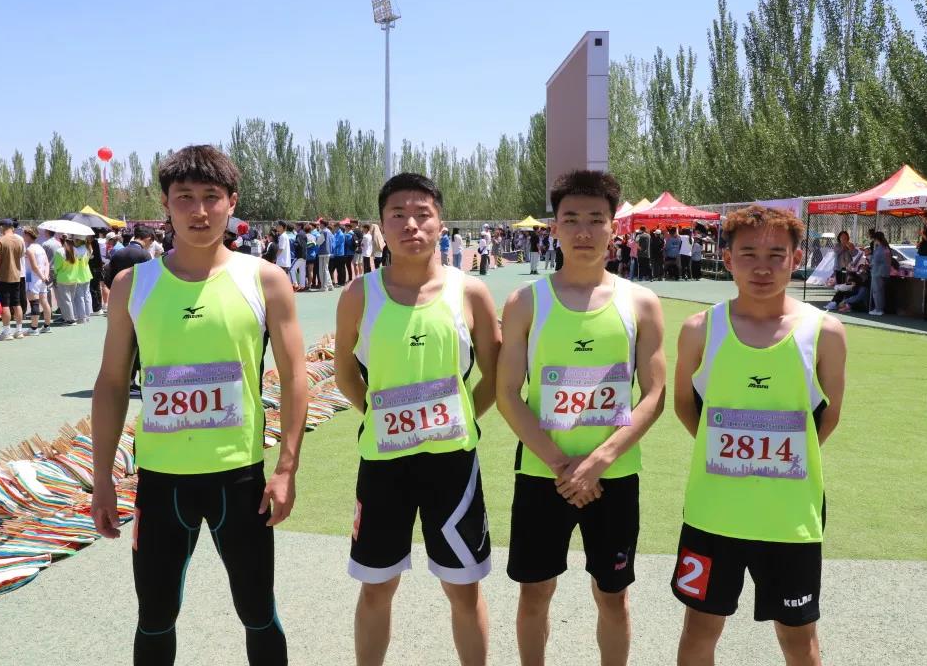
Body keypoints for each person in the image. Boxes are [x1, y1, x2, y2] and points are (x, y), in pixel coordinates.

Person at [90, 145, 307, 666]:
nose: (199, 210)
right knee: (155, 616)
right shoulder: (132, 285)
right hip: (162, 481)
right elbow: (112, 382)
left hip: (240, 478)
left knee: (257, 610)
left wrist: (286, 468)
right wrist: (101, 478)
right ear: (166, 204)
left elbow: (296, 377)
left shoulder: (265, 279)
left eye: (212, 196)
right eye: (184, 197)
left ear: (232, 202)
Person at [498, 170, 665, 666]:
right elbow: (508, 393)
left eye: (596, 219)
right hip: (541, 474)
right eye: (571, 219)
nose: (584, 231)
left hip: (614, 477)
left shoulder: (641, 303)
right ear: (555, 227)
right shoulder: (525, 302)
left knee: (613, 597)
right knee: (535, 593)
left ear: (615, 227)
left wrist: (598, 462)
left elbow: (654, 393)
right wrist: (562, 465)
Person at [334, 173, 501, 666]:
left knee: (464, 590)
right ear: (382, 226)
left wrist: (462, 416)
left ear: (441, 224)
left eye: (423, 214)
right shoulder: (359, 294)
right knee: (376, 587)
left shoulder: (470, 292)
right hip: (384, 465)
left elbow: (495, 376)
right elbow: (345, 373)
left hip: (453, 466)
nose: (411, 224)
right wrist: (377, 414)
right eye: (398, 215)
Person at [671, 205, 846, 666]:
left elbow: (828, 417)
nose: (762, 267)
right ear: (728, 259)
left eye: (776, 255)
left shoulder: (825, 332)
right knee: (699, 629)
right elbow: (685, 406)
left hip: (789, 519)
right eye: (748, 254)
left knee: (798, 637)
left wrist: (778, 459)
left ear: (796, 258)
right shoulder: (699, 330)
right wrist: (727, 457)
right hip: (713, 514)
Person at [104, 224, 155, 394]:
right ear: (148, 239)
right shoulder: (144, 255)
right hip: (140, 304)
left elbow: (109, 277)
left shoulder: (118, 253)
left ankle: (125, 380)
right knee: (139, 343)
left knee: (121, 343)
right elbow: (151, 280)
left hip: (120, 303)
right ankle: (137, 380)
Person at [0, 219, 26, 340]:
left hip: (3, 276)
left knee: (5, 305)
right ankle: (19, 331)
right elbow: (21, 256)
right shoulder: (20, 240)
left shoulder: (0, 240)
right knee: (17, 303)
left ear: (2, 227)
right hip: (17, 276)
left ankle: (6, 332)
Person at [52, 237, 89, 325]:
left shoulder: (60, 251)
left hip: (63, 278)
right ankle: (69, 317)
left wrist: (55, 274)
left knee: (65, 300)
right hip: (74, 278)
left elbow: (57, 267)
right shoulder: (76, 251)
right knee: (70, 300)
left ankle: (70, 319)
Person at [23, 227, 53, 334]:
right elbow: (47, 263)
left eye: (24, 234)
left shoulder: (30, 249)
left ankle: (34, 328)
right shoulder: (40, 247)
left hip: (32, 277)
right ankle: (47, 326)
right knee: (44, 301)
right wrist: (45, 276)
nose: (23, 236)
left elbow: (34, 267)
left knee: (34, 303)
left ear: (28, 235)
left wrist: (42, 276)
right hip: (41, 278)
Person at [869, 232, 890, 316]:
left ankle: (878, 309)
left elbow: (874, 261)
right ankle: (879, 308)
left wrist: (870, 257)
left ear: (876, 239)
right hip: (884, 272)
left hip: (877, 272)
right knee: (880, 291)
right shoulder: (886, 247)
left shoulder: (879, 249)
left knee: (877, 291)